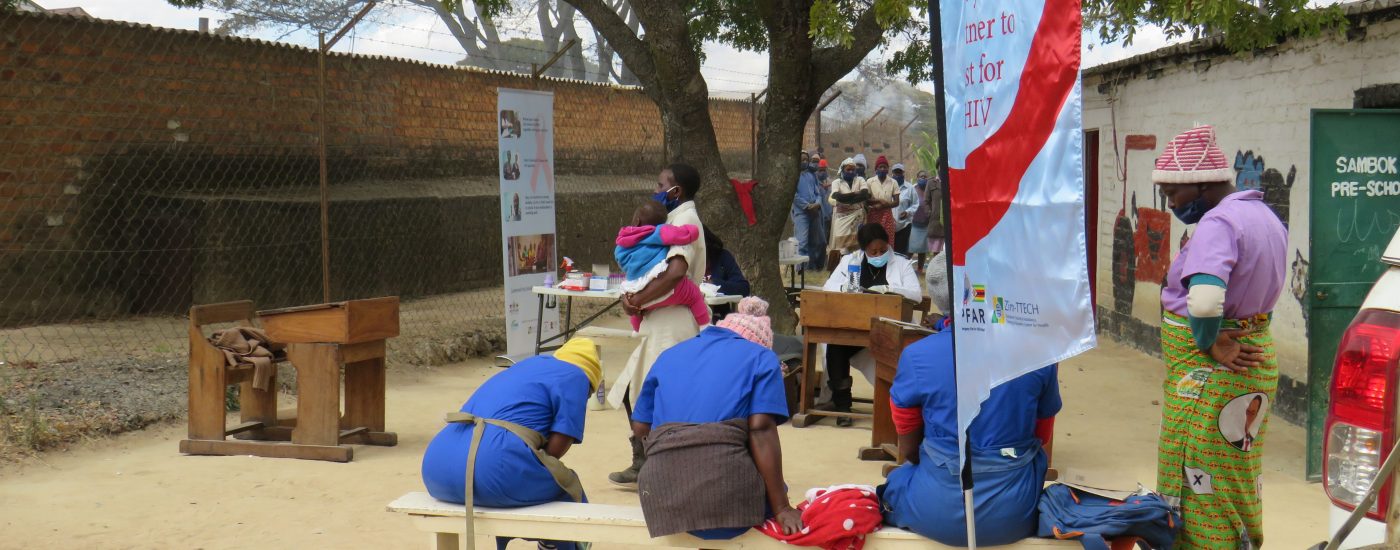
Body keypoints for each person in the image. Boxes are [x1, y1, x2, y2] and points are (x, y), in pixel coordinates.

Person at [1151, 125, 1286, 549]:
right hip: (1251, 363)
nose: (1171, 204)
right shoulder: (1265, 216)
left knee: (1200, 476)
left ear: (1203, 182)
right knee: (1233, 474)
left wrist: (1211, 342)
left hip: (1212, 370)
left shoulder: (1219, 222)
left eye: (1174, 194)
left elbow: (1206, 301)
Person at [879, 255, 1061, 546]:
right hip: (1013, 513)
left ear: (938, 298)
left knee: (896, 482)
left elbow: (909, 450)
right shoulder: (1039, 355)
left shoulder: (916, 356)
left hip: (934, 509)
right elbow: (1041, 438)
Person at [632, 297, 803, 539]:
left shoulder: (669, 355)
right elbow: (761, 430)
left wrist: (673, 463)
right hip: (727, 496)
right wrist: (782, 508)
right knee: (766, 489)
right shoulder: (762, 358)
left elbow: (640, 426)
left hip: (662, 499)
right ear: (759, 343)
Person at [420, 337, 602, 550]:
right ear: (589, 381)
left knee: (514, 467)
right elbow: (559, 445)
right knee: (567, 486)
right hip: (492, 470)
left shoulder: (526, 366)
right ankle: (553, 543)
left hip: (438, 469)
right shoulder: (576, 376)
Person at [605, 163, 709, 489]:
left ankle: (657, 464)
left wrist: (636, 301)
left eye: (660, 184)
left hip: (672, 322)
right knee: (632, 390)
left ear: (675, 191)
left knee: (657, 395)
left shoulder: (685, 221)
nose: (656, 188)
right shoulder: (673, 220)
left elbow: (676, 271)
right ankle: (645, 460)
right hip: (658, 320)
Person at [820, 224, 921, 426]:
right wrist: (847, 287)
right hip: (856, 325)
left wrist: (889, 288)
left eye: (883, 250)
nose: (878, 254)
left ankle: (897, 405)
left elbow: (916, 295)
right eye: (873, 251)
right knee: (835, 347)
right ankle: (842, 406)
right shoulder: (851, 260)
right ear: (863, 249)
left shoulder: (902, 264)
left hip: (890, 329)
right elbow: (828, 287)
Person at [614, 200, 710, 332]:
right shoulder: (658, 232)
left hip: (636, 287)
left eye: (660, 185)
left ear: (636, 221)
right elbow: (683, 234)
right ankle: (705, 326)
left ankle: (637, 330)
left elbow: (620, 260)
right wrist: (692, 231)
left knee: (636, 313)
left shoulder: (622, 240)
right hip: (660, 282)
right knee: (694, 295)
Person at [826, 157, 869, 269]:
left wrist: (846, 199)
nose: (851, 172)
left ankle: (856, 268)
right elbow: (836, 196)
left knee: (856, 245)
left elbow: (864, 194)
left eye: (853, 170)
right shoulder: (836, 182)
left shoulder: (860, 180)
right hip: (841, 218)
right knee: (842, 245)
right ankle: (841, 269)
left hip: (857, 217)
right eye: (848, 169)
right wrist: (855, 195)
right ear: (842, 170)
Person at [791, 150, 827, 271]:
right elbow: (794, 196)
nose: (805, 162)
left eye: (806, 159)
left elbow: (818, 193)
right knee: (802, 243)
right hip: (802, 213)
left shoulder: (811, 175)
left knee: (820, 241)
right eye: (802, 160)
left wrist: (817, 203)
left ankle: (814, 267)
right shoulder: (793, 175)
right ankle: (801, 270)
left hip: (815, 212)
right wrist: (807, 206)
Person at [703, 227, 750, 319]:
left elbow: (743, 288)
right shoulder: (682, 262)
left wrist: (714, 285)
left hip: (720, 318)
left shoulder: (722, 257)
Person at [863, 156, 900, 243]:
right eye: (880, 167)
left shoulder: (893, 182)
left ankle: (888, 256)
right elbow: (866, 200)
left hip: (887, 215)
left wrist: (885, 205)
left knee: (887, 239)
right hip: (873, 213)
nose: (883, 169)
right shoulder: (870, 181)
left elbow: (896, 202)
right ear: (876, 169)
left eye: (885, 167)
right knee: (872, 239)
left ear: (888, 169)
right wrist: (879, 201)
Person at [891, 163, 919, 255]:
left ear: (903, 174)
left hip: (904, 226)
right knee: (890, 252)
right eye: (896, 173)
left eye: (899, 173)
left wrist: (907, 212)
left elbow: (915, 203)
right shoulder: (888, 187)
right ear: (892, 174)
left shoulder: (910, 188)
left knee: (901, 253)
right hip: (889, 225)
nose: (897, 175)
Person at [907, 170, 933, 268]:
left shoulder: (930, 190)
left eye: (925, 177)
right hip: (914, 224)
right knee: (911, 248)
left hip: (926, 224)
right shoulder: (912, 189)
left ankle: (920, 269)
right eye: (921, 176)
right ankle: (904, 267)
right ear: (917, 178)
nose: (923, 178)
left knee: (923, 249)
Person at [923, 173, 946, 256]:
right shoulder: (931, 182)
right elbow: (926, 201)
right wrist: (929, 213)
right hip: (935, 222)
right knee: (936, 252)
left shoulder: (952, 179)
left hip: (950, 221)